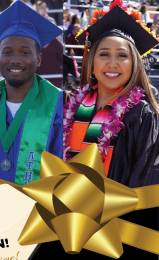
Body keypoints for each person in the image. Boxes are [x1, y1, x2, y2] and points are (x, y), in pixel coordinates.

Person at [0, 1, 63, 185]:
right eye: (7, 52)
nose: (15, 60)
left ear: (38, 58)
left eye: (25, 52)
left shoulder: (58, 108)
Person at [66, 0, 159, 188]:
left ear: (134, 65)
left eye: (122, 55)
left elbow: (145, 180)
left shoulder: (142, 115)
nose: (113, 63)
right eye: (104, 54)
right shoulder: (71, 106)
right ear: (91, 63)